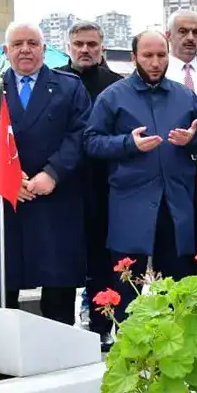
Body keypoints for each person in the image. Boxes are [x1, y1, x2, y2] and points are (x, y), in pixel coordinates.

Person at [0, 22, 91, 323]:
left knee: (57, 290)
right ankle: (3, 349)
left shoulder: (70, 87)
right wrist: (3, 177)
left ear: (44, 50)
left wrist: (53, 173)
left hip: (54, 200)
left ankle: (57, 348)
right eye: (17, 44)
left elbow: (81, 134)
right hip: (4, 202)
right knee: (2, 290)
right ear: (6, 51)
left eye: (32, 43)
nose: (25, 50)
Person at [85, 31, 197, 325]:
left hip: (175, 203)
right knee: (128, 285)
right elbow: (91, 142)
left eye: (161, 55)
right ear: (133, 57)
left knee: (177, 284)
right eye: (147, 56)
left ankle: (177, 340)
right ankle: (127, 339)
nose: (155, 62)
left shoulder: (185, 96)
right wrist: (128, 143)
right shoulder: (112, 97)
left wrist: (192, 139)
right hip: (131, 203)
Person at [63, 21, 124, 340]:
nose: (85, 50)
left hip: (104, 186)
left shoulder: (118, 86)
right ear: (68, 46)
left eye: (91, 44)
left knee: (101, 260)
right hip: (62, 184)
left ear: (102, 47)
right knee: (62, 259)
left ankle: (101, 327)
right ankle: (61, 328)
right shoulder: (54, 81)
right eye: (79, 44)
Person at [166, 10, 197, 254]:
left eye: (196, 32)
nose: (190, 38)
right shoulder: (158, 74)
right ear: (168, 35)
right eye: (183, 32)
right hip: (171, 173)